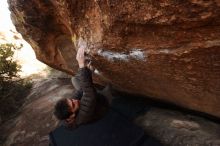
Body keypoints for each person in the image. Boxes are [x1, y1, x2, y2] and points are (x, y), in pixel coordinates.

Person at [54, 47, 109, 128]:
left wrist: (87, 71)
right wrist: (82, 66)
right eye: (73, 104)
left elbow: (81, 90)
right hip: (102, 104)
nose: (75, 100)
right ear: (72, 116)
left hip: (91, 98)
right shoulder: (83, 116)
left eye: (71, 100)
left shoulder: (68, 111)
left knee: (74, 79)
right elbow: (89, 95)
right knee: (110, 86)